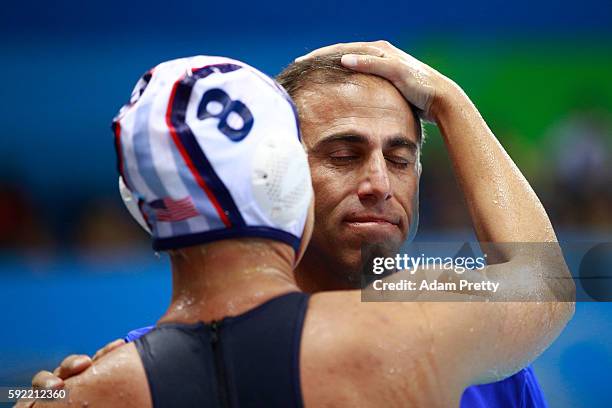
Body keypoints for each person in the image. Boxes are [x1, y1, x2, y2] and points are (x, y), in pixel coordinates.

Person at [26, 42, 572, 407]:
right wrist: (449, 98)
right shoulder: (447, 329)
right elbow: (547, 282)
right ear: (279, 175)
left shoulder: (109, 382)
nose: (380, 183)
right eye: (342, 154)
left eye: (401, 159)